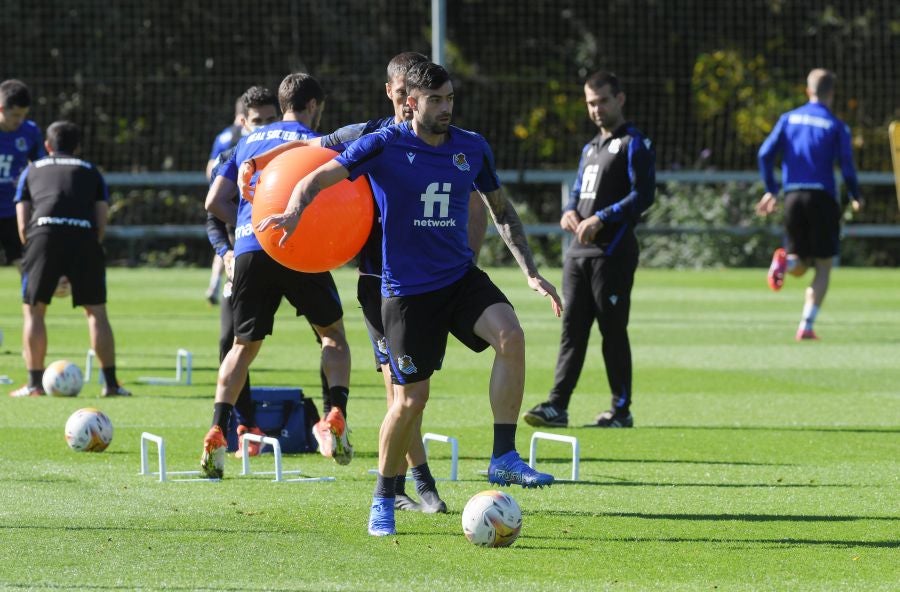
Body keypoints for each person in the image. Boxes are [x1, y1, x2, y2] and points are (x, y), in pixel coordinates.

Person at [257, 61, 563, 537]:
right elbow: (316, 177)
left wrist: (532, 273)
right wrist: (295, 211)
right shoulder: (383, 143)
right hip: (406, 291)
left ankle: (503, 455)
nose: (445, 108)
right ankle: (383, 495)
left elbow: (502, 212)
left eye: (450, 99)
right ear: (409, 103)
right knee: (410, 399)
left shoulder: (471, 147)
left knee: (511, 333)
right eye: (435, 100)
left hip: (458, 277)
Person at [240, 52, 462, 513]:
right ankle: (412, 487)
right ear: (393, 93)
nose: (407, 103)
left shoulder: (443, 142)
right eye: (401, 94)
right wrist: (257, 161)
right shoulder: (369, 135)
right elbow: (311, 150)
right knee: (401, 394)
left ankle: (412, 485)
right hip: (380, 281)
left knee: (414, 393)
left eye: (413, 96)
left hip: (428, 280)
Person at [200, 72, 353, 478]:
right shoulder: (315, 140)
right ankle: (335, 413)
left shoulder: (245, 142)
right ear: (314, 105)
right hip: (299, 248)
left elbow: (214, 201)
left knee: (242, 347)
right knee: (332, 334)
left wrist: (253, 227)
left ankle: (218, 427)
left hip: (251, 249)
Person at [522, 71, 655, 430]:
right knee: (572, 330)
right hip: (578, 255)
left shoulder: (634, 144)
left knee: (613, 330)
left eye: (603, 101)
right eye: (590, 103)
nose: (596, 109)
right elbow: (579, 190)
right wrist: (570, 212)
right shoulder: (590, 148)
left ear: (620, 99)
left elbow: (644, 196)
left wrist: (601, 217)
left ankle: (621, 410)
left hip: (613, 252)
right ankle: (557, 405)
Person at [10, 121, 131, 397]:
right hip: (83, 237)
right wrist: (82, 253)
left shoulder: (31, 170)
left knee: (33, 310)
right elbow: (101, 222)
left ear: (47, 146)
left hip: (42, 233)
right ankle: (111, 384)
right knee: (96, 312)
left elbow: (21, 223)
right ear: (77, 147)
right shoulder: (91, 171)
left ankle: (34, 384)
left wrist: (40, 256)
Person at [756, 68, 862, 341]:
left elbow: (765, 154)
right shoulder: (837, 126)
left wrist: (772, 189)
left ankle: (785, 263)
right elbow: (847, 167)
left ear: (808, 91)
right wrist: (855, 194)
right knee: (823, 266)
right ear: (832, 93)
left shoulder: (788, 118)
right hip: (823, 198)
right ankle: (806, 325)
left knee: (801, 263)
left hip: (792, 197)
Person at [205, 86, 279, 458]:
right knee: (230, 341)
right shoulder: (233, 159)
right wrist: (227, 250)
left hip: (289, 259)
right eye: (256, 122)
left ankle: (334, 418)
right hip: (245, 261)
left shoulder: (288, 156)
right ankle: (243, 424)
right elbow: (212, 218)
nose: (264, 128)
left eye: (271, 120)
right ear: (241, 122)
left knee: (329, 331)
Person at [203, 97, 246, 305]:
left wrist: (216, 188)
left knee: (226, 244)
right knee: (234, 245)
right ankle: (232, 285)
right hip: (239, 200)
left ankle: (214, 284)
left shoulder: (222, 136)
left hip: (224, 197)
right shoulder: (243, 136)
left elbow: (211, 166)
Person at [0, 79, 45, 271]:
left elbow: (40, 167)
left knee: (26, 264)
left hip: (13, 209)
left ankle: (31, 301)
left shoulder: (30, 131)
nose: (19, 120)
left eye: (23, 115)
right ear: (1, 109)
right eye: (15, 115)